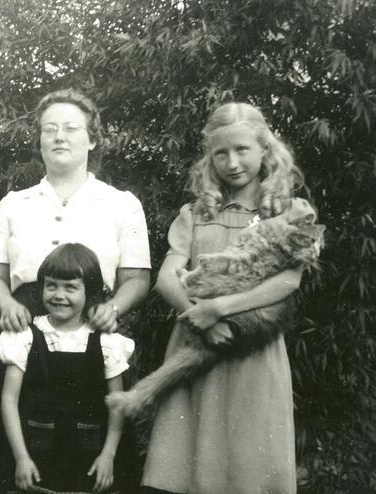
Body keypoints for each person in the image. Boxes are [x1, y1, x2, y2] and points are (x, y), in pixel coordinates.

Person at [0, 89, 152, 493]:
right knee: (15, 453)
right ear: (39, 139)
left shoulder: (121, 203)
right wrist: (7, 305)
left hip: (93, 330)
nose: (59, 136)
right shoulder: (14, 203)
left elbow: (138, 279)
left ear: (92, 139)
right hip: (25, 330)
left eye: (71, 128)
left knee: (92, 446)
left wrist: (113, 309)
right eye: (49, 129)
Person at [141, 102, 317, 494]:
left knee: (249, 461)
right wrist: (200, 318)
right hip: (196, 340)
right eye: (221, 153)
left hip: (253, 349)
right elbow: (167, 278)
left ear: (264, 150)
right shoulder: (195, 213)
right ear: (210, 157)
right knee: (192, 463)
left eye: (242, 150)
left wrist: (220, 309)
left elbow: (289, 281)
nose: (232, 162)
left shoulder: (291, 212)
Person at [0, 243, 133, 493]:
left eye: (70, 287)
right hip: (36, 457)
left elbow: (117, 403)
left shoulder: (106, 342)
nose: (59, 295)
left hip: (89, 458)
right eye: (51, 285)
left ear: (89, 290)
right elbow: (9, 399)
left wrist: (108, 454)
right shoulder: (25, 336)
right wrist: (21, 458)